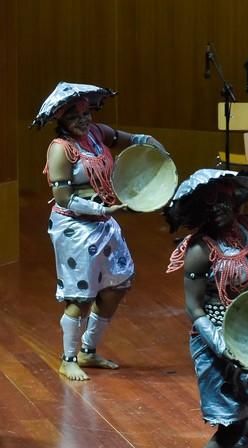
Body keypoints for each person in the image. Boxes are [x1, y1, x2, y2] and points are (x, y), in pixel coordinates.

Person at [34, 82, 166, 381]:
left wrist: (148, 141)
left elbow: (128, 139)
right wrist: (105, 210)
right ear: (61, 120)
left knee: (117, 285)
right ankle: (67, 359)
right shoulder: (61, 149)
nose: (83, 120)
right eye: (74, 116)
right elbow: (65, 198)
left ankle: (88, 351)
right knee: (79, 297)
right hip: (75, 227)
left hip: (104, 222)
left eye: (85, 113)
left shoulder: (97, 133)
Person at [165, 169, 248, 448]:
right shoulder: (200, 249)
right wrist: (224, 348)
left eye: (222, 201)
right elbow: (193, 307)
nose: (218, 209)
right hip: (218, 338)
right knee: (233, 426)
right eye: (208, 206)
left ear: (234, 199)